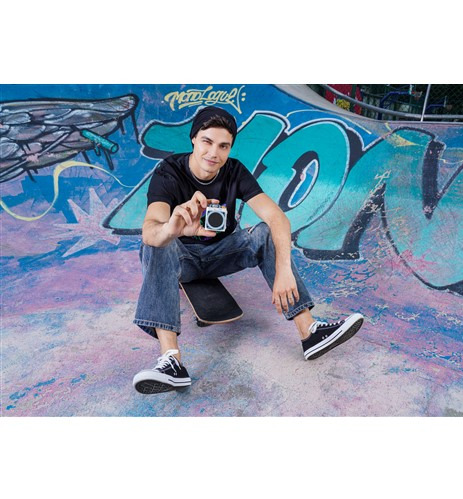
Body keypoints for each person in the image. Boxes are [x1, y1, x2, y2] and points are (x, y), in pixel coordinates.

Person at [132, 106, 364, 394]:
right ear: (193, 139)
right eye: (206, 142)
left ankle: (310, 332)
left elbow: (277, 218)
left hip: (221, 254)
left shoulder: (234, 171)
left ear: (230, 148)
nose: (213, 153)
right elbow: (150, 230)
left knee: (265, 232)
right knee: (156, 245)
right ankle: (172, 362)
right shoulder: (169, 171)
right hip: (182, 259)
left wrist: (283, 270)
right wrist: (172, 229)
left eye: (223, 146)